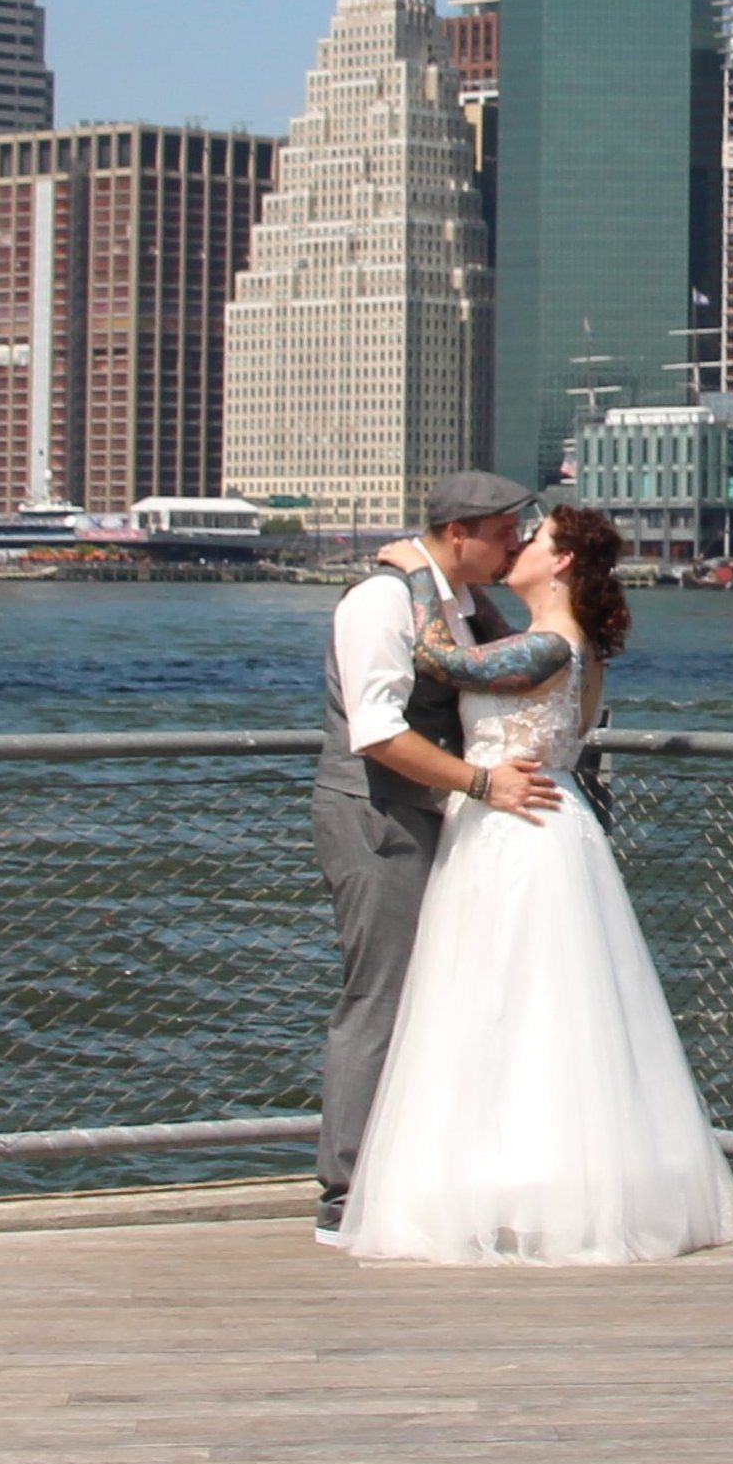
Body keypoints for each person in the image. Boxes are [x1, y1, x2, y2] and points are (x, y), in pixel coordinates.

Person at [341, 505, 733, 1265]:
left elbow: (440, 660)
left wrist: (417, 570)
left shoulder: (551, 645)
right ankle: (527, 1181)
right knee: (526, 1005)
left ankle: (530, 1189)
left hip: (518, 829)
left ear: (560, 564)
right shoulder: (562, 645)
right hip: (531, 821)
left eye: (538, 540)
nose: (521, 545)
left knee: (521, 1004)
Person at [312, 470, 556, 1242]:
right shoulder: (379, 603)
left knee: (432, 994)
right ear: (461, 533)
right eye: (504, 531)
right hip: (377, 815)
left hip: (429, 812)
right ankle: (343, 1196)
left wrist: (430, 571)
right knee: (379, 999)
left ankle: (407, 1173)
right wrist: (484, 783)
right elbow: (377, 732)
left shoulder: (451, 601)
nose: (515, 542)